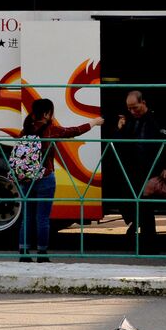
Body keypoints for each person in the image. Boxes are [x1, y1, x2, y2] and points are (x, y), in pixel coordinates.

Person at [18, 98, 102, 262]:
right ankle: (42, 254)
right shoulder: (50, 130)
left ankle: (24, 253)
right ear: (47, 113)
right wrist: (94, 122)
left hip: (26, 179)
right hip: (45, 177)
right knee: (42, 218)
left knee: (26, 217)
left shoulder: (24, 131)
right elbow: (74, 131)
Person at [111, 90, 166, 255]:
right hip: (132, 170)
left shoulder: (156, 120)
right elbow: (118, 146)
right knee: (134, 205)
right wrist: (119, 129)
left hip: (152, 169)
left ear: (144, 102)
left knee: (146, 207)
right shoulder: (129, 121)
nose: (133, 111)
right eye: (129, 108)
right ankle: (141, 236)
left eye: (135, 107)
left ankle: (149, 245)